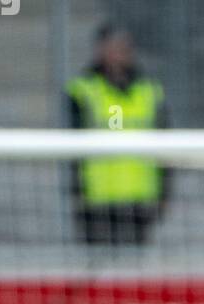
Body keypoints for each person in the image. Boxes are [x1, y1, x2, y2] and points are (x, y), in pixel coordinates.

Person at [66, 24, 170, 246]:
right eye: (114, 46)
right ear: (100, 49)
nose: (119, 53)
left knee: (134, 274)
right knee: (98, 272)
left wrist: (164, 192)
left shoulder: (149, 90)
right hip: (97, 199)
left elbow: (166, 146)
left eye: (124, 47)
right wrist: (77, 192)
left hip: (139, 198)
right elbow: (72, 149)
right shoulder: (82, 90)